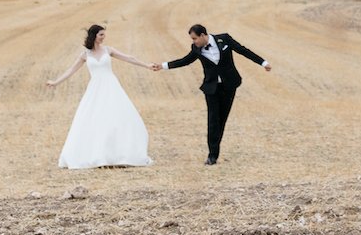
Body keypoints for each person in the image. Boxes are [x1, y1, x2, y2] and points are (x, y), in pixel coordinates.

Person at [151, 23, 270, 165]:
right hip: (211, 88)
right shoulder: (196, 48)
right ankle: (212, 155)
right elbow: (185, 61)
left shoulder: (224, 39)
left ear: (203, 35)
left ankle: (215, 149)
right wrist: (163, 66)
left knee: (222, 119)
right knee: (213, 119)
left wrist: (263, 63)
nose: (193, 42)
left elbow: (243, 51)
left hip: (229, 85)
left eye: (195, 38)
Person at [47, 24, 154, 169]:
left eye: (104, 34)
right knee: (94, 119)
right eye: (101, 35)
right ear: (94, 36)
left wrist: (146, 65)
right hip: (95, 89)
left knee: (117, 118)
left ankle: (119, 154)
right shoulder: (85, 54)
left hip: (111, 87)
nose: (104, 37)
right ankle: (98, 154)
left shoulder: (108, 50)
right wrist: (55, 82)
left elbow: (129, 58)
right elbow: (71, 70)